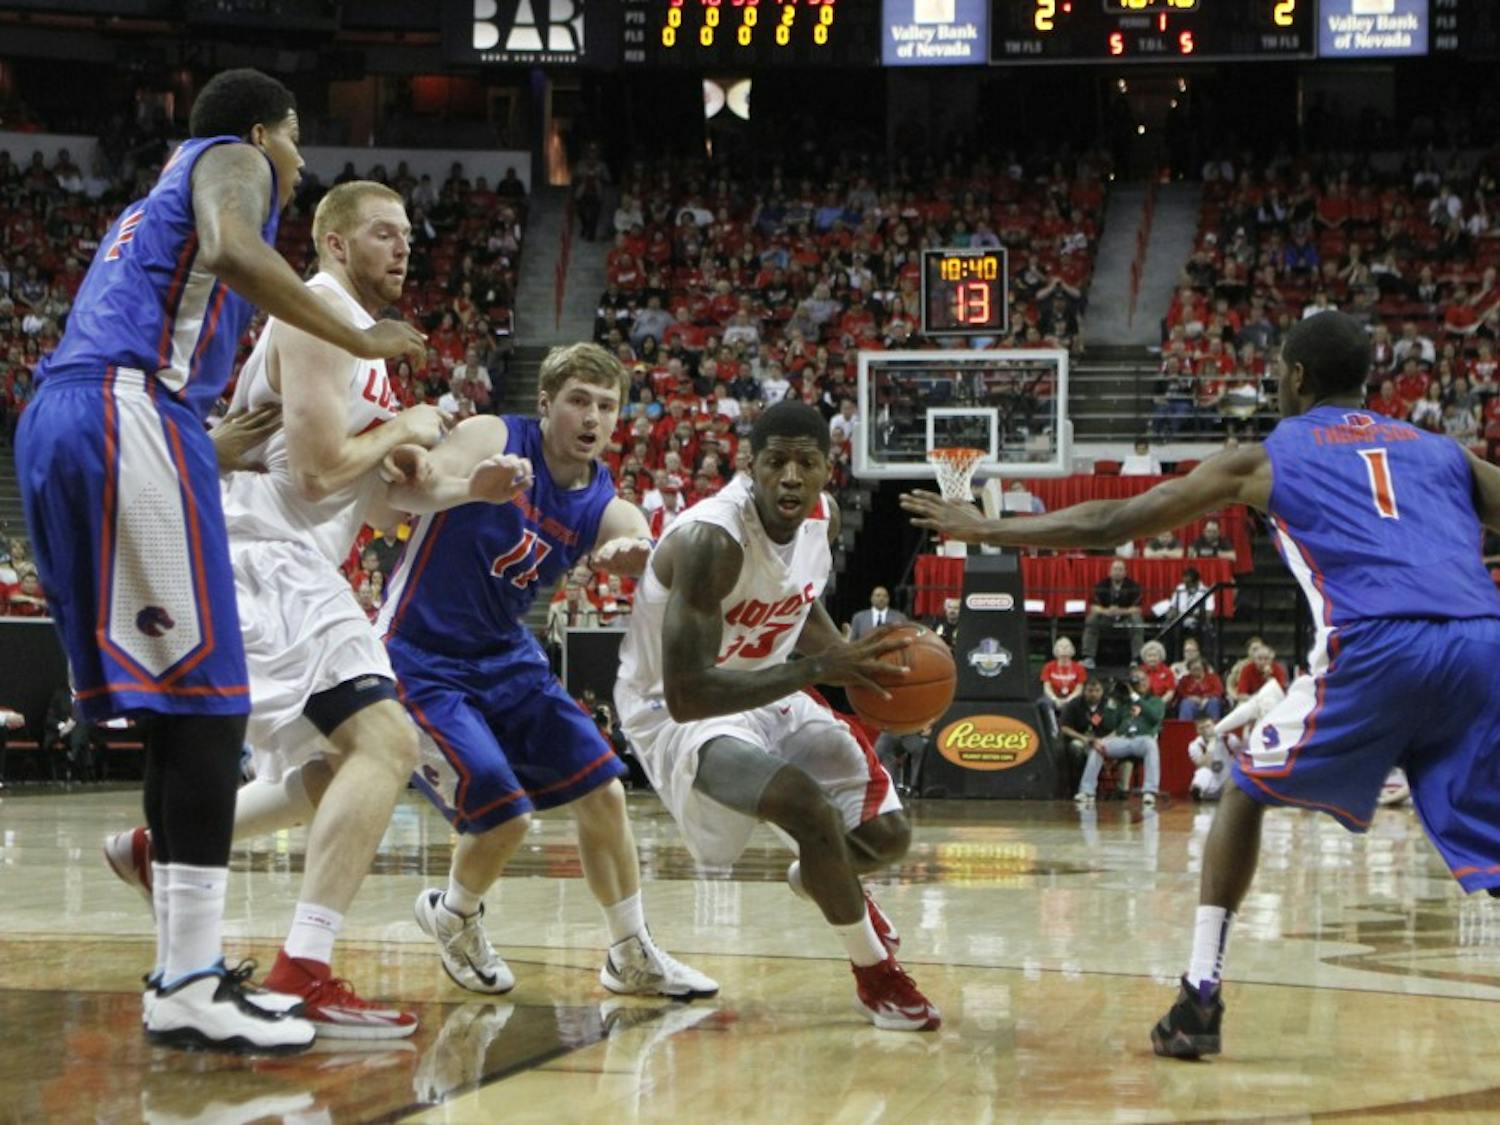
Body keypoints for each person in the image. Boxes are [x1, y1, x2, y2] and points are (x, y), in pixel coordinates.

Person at [901, 310, 1500, 1060]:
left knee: (1246, 789)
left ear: (1296, 376)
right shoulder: (1441, 449)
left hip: (1381, 639)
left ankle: (1199, 999)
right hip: (1483, 638)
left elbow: (1116, 519)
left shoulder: (1271, 454)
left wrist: (988, 531)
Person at [24, 68, 421, 1054]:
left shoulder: (139, 213)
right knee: (208, 708)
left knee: (178, 710)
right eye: (294, 144)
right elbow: (238, 251)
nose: (293, 165)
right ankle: (192, 981)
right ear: (263, 131)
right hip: (126, 414)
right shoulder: (230, 156)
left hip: (82, 419)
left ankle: (180, 976)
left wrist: (204, 442)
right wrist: (360, 332)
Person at [105, 181, 527, 1038]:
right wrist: (405, 422)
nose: (402, 248)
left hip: (283, 556)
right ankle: (305, 969)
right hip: (262, 552)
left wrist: (459, 488)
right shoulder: (315, 312)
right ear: (335, 246)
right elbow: (313, 473)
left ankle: (160, 851)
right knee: (390, 742)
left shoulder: (352, 339)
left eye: (408, 234)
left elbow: (373, 502)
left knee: (343, 769)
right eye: (383, 233)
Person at [377, 343, 718, 1001]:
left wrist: (636, 553)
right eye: (578, 401)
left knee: (604, 791)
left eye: (606, 405)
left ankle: (629, 952)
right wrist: (469, 486)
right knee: (506, 812)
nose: (592, 417)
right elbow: (402, 494)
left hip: (506, 655)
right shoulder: (492, 435)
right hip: (418, 653)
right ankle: (457, 916)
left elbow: (634, 535)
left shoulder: (598, 494)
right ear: (545, 404)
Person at [615, 400, 941, 1031]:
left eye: (806, 462)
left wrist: (844, 657)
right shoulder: (713, 539)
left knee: (886, 838)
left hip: (767, 686)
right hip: (677, 710)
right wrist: (817, 671)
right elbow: (689, 694)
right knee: (808, 808)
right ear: (749, 466)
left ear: (827, 470)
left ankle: (819, 875)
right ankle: (876, 978)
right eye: (776, 462)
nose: (791, 476)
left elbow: (798, 602)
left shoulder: (824, 519)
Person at [1072, 668, 1163, 806]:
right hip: (1123, 739)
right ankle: (1087, 791)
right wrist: (1112, 701)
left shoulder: (1156, 701)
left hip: (1142, 740)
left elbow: (1154, 717)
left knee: (1151, 744)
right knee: (1098, 746)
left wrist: (1135, 696)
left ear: (1149, 682)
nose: (1141, 683)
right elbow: (1110, 723)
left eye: (1144, 680)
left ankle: (1149, 792)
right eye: (1137, 680)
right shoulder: (1124, 702)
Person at [1080, 559, 1144, 666]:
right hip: (1106, 619)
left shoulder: (1134, 586)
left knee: (1137, 619)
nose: (1117, 572)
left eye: (1120, 569)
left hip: (1126, 619)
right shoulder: (1101, 585)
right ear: (1109, 572)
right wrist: (1106, 611)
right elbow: (1093, 607)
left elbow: (1138, 609)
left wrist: (1121, 611)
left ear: (1125, 572)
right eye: (1115, 569)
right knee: (1092, 618)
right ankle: (1088, 657)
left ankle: (1136, 659)